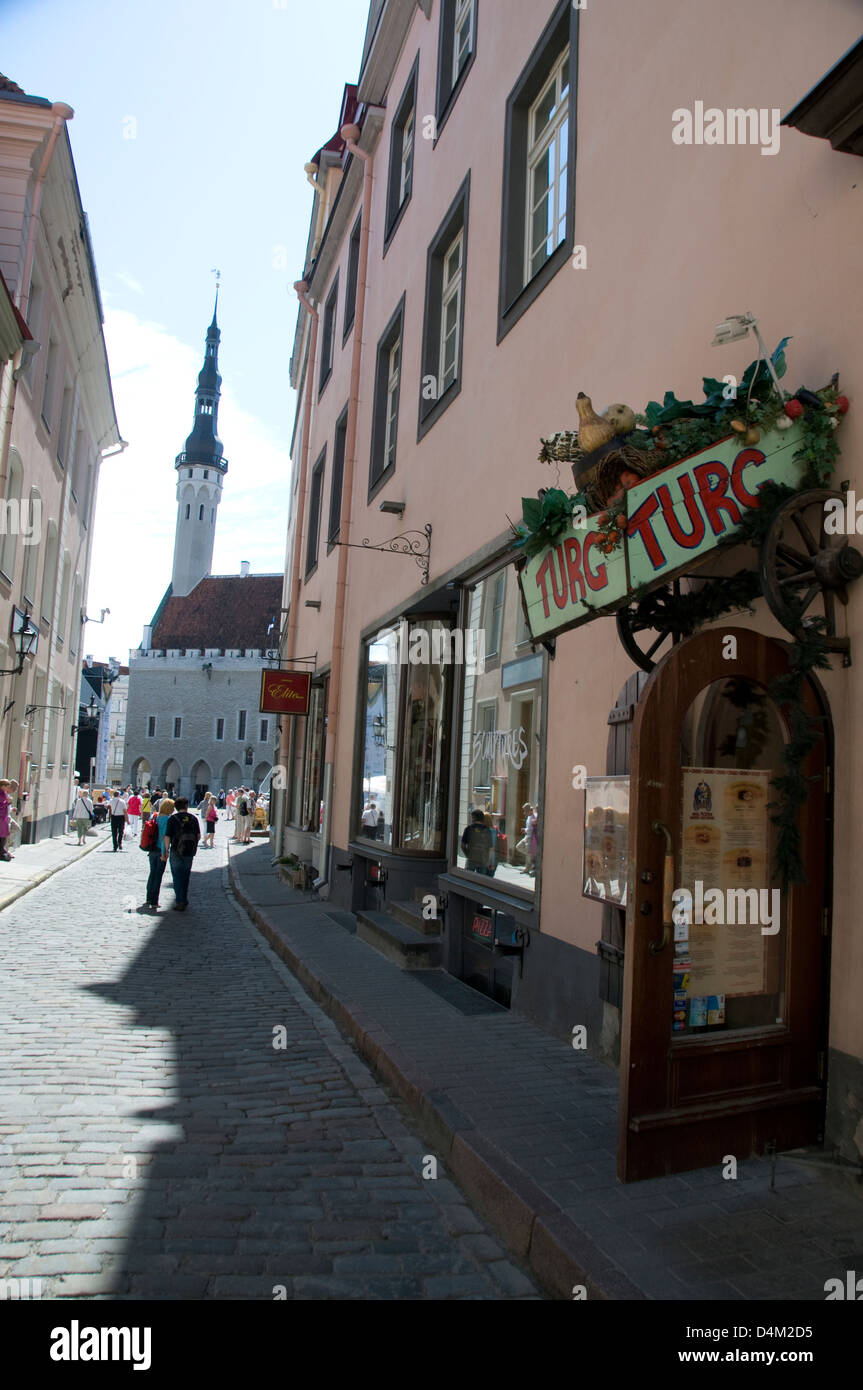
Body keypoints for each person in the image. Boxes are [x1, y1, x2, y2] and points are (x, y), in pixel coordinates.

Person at [162, 796, 200, 912]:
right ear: (187, 806)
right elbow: (198, 836)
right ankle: (184, 898)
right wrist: (192, 844)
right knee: (186, 875)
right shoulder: (193, 818)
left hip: (176, 850)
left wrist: (166, 850)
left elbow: (167, 836)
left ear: (176, 807)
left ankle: (180, 900)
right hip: (189, 851)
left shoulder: (172, 819)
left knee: (177, 876)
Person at [145, 796, 174, 910]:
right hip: (160, 850)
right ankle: (154, 901)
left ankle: (148, 898)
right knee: (158, 876)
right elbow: (164, 838)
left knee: (152, 873)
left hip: (151, 849)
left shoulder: (155, 816)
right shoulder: (168, 820)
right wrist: (164, 853)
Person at [461, 808, 494, 875]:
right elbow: (491, 848)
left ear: (473, 818)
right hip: (482, 859)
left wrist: (468, 854)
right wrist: (489, 861)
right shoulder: (487, 830)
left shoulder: (468, 829)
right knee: (481, 880)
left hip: (471, 859)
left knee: (467, 879)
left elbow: (462, 845)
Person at [0, 779, 14, 861]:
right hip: (1, 817)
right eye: (7, 787)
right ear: (2, 786)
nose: (8, 789)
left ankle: (3, 851)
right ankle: (2, 852)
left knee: (3, 835)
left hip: (3, 817)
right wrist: (7, 802)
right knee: (2, 835)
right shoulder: (1, 794)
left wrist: (8, 802)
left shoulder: (4, 793)